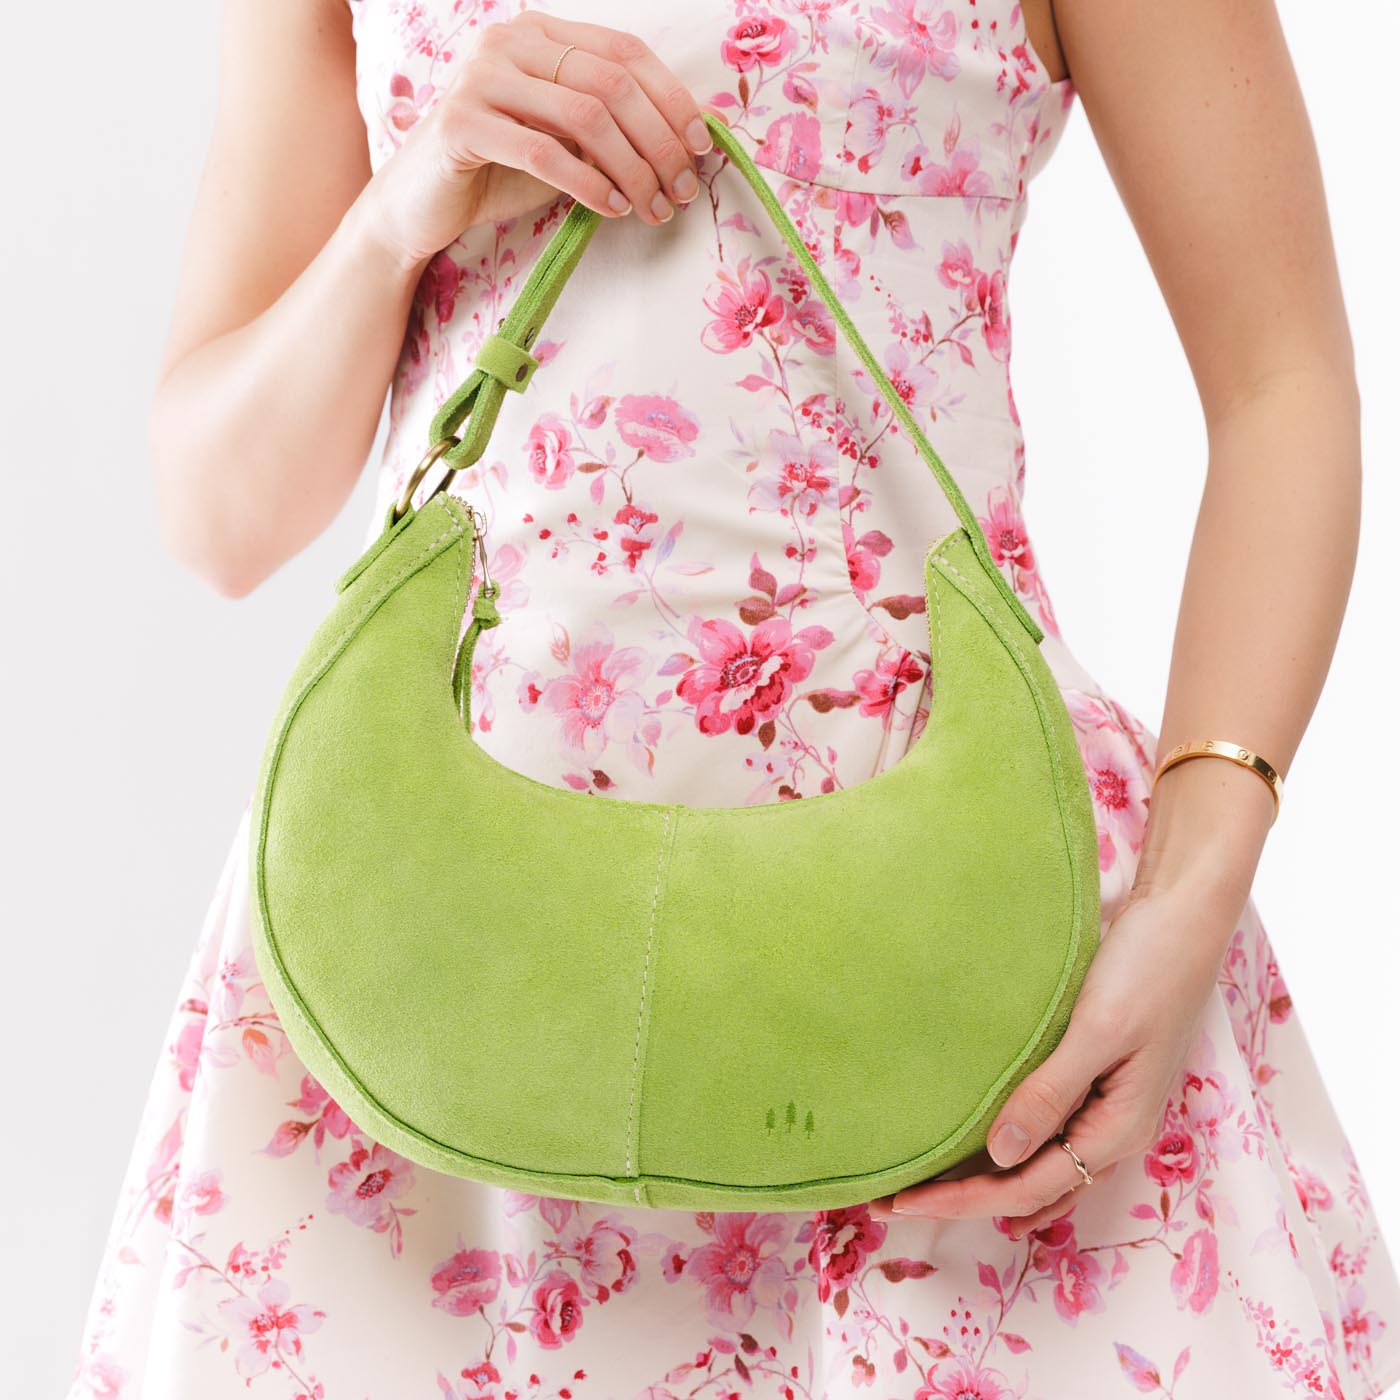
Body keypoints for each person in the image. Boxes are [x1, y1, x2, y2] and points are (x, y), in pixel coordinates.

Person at [67, 1, 1400, 1395]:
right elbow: (222, 520)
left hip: (961, 950)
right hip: (437, 955)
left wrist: (1190, 894)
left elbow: (1283, 384)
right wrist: (401, 211)